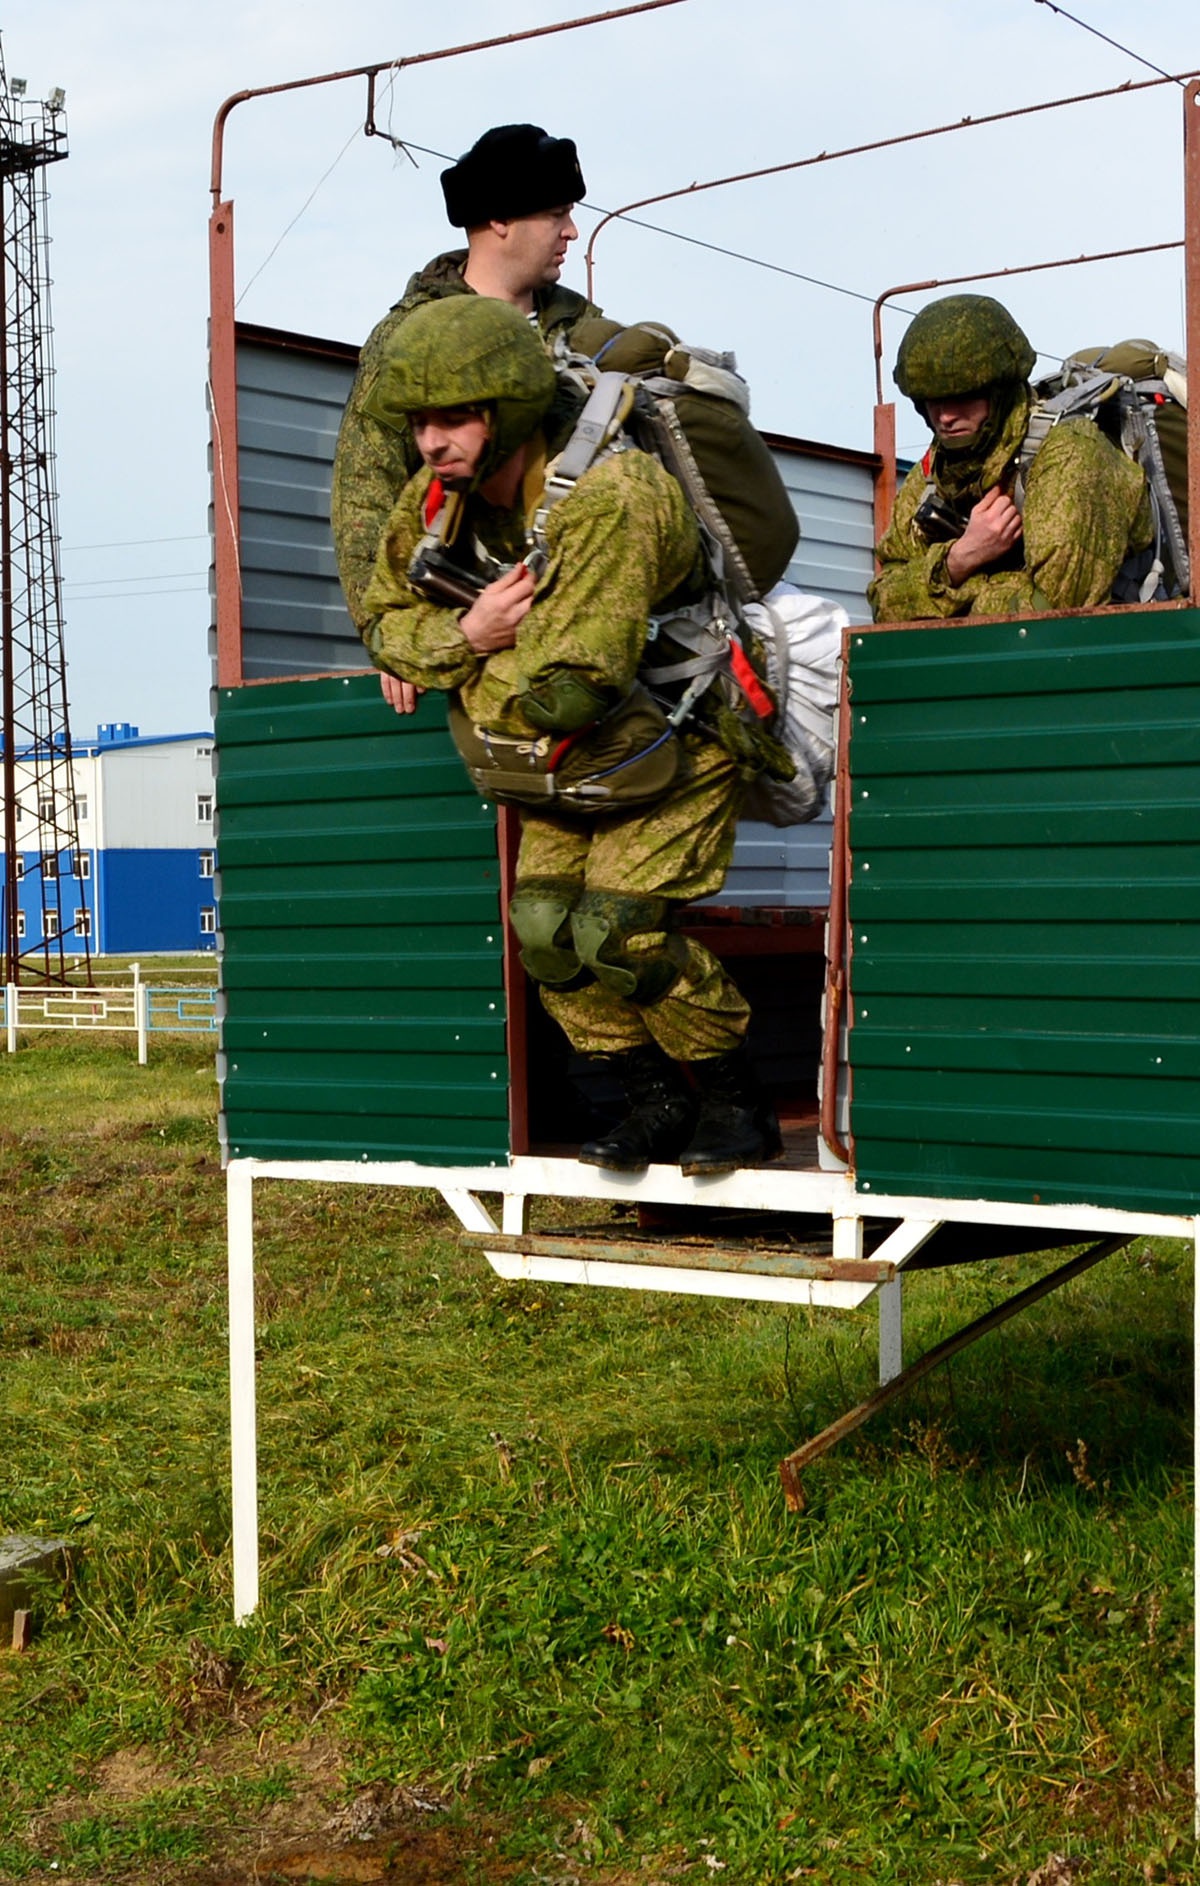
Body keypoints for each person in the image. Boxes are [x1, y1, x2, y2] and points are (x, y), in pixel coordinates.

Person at [357, 295, 782, 1177]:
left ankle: (736, 1101)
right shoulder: (440, 498)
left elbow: (570, 690)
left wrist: (459, 664)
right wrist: (467, 636)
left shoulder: (609, 497)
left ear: (508, 410)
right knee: (547, 931)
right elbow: (384, 618)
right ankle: (650, 1101)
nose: (432, 441)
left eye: (454, 418)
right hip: (561, 770)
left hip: (670, 744)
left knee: (618, 934)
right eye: (420, 422)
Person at [332, 122, 603, 632]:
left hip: (576, 611)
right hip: (462, 613)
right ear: (500, 219)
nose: (570, 231)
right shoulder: (414, 337)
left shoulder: (583, 331)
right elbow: (366, 486)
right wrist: (382, 626)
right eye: (556, 214)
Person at [869, 294, 1153, 623]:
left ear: (999, 393)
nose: (945, 417)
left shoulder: (1070, 455)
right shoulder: (933, 474)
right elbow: (883, 601)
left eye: (962, 397)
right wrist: (960, 558)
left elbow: (1056, 612)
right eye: (933, 401)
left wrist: (942, 597)